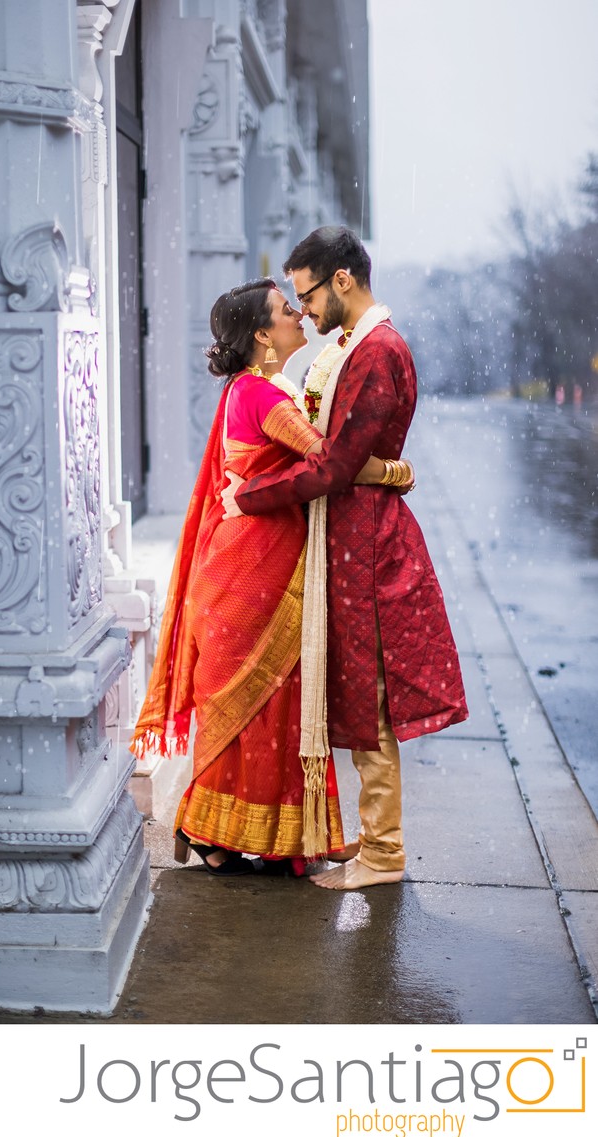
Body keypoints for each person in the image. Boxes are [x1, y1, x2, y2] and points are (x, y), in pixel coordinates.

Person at [130, 277, 412, 876]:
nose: (299, 314)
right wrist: (393, 470)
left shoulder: (256, 388)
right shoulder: (265, 396)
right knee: (259, 711)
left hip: (245, 569)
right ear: (263, 335)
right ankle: (213, 832)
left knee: (267, 711)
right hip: (250, 579)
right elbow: (329, 464)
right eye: (287, 310)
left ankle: (232, 833)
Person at [222, 227, 469, 890]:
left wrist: (250, 496)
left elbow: (332, 464)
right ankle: (376, 834)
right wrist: (387, 471)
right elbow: (346, 461)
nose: (301, 311)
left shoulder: (375, 351)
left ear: (341, 280)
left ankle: (383, 853)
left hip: (367, 545)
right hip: (354, 534)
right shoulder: (358, 346)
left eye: (306, 295)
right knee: (363, 693)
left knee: (372, 695)